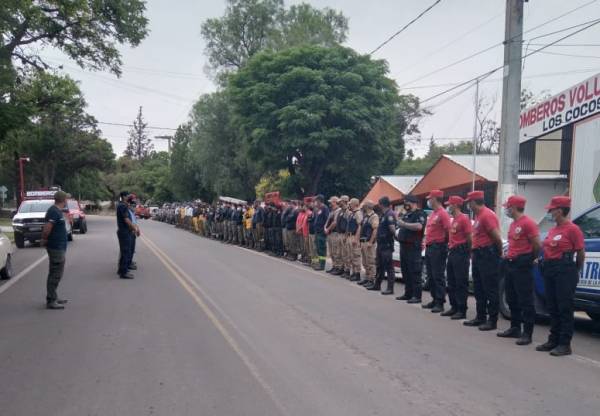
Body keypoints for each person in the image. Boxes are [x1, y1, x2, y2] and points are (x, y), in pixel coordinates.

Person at [536, 196, 585, 357]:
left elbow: (580, 252)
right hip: (550, 270)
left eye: (551, 210)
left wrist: (574, 270)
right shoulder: (553, 229)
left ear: (559, 210)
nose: (549, 213)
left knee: (564, 307)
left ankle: (565, 344)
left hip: (564, 270)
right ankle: (553, 339)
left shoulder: (572, 229)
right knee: (552, 306)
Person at [497, 196, 540, 345]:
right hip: (510, 263)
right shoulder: (513, 224)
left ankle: (527, 333)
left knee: (525, 300)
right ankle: (515, 327)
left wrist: (530, 258)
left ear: (513, 207)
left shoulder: (528, 223)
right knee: (511, 297)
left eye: (507, 207)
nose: (506, 210)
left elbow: (536, 244)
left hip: (522, 264)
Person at [464, 191, 503, 331]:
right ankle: (480, 316)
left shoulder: (487, 215)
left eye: (470, 202)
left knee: (490, 288)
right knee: (479, 287)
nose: (468, 205)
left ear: (474, 202)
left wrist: (497, 253)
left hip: (487, 254)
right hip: (479, 254)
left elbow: (497, 238)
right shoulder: (479, 215)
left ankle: (492, 320)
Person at [423, 190, 451, 313]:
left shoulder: (443, 213)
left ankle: (440, 302)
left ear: (435, 199)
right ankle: (434, 299)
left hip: (438, 247)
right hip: (430, 247)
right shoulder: (433, 214)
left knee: (438, 275)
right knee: (431, 275)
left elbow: (448, 231)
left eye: (430, 198)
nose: (428, 200)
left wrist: (443, 244)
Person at [444, 195, 472, 320]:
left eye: (449, 204)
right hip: (453, 251)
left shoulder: (463, 219)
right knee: (451, 281)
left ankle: (462, 309)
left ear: (455, 205)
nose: (448, 206)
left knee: (460, 282)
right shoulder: (454, 219)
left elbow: (469, 237)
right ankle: (454, 306)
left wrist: (467, 251)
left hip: (461, 252)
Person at [41, 190, 70, 310]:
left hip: (59, 247)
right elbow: (47, 228)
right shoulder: (53, 211)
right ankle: (51, 300)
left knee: (57, 273)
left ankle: (53, 296)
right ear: (63, 200)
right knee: (55, 273)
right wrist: (44, 239)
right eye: (66, 198)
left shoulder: (57, 211)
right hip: (56, 247)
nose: (67, 200)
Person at [395, 195, 426, 303]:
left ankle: (417, 296)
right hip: (404, 246)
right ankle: (408, 293)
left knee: (414, 272)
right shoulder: (407, 214)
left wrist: (403, 224)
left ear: (413, 202)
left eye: (406, 202)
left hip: (413, 247)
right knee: (406, 271)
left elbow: (419, 227)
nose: (405, 205)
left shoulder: (420, 214)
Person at [367, 196, 396, 295]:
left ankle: (390, 288)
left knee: (389, 267)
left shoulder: (390, 214)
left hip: (387, 244)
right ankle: (377, 284)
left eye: (379, 204)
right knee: (379, 265)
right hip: (381, 244)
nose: (378, 206)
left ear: (381, 204)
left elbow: (392, 229)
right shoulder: (383, 214)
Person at [116, 191, 136, 279]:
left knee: (124, 251)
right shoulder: (122, 206)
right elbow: (126, 219)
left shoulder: (122, 205)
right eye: (128, 196)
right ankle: (123, 273)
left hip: (124, 231)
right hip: (124, 231)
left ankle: (121, 269)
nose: (129, 197)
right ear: (124, 197)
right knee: (126, 251)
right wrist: (133, 228)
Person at [358, 200, 379, 286]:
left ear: (367, 206)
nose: (362, 207)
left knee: (371, 261)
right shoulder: (366, 216)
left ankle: (372, 279)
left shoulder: (374, 216)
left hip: (369, 242)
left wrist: (371, 242)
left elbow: (375, 230)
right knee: (365, 261)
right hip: (363, 241)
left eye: (364, 205)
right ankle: (367, 277)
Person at [346, 198, 363, 281]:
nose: (349, 205)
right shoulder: (352, 213)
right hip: (349, 235)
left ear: (355, 204)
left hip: (354, 236)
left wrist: (356, 238)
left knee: (356, 256)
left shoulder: (358, 213)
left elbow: (360, 226)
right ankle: (353, 272)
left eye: (351, 203)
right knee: (351, 255)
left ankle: (357, 274)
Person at [325, 197, 342, 274]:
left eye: (331, 202)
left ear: (335, 202)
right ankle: (334, 266)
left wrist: (328, 229)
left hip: (335, 233)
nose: (330, 203)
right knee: (331, 251)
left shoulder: (338, 211)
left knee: (336, 251)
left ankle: (338, 267)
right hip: (330, 233)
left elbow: (335, 222)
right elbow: (328, 220)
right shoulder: (332, 211)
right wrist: (325, 227)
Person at [313, 195, 330, 271]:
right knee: (318, 249)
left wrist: (325, 229)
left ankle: (322, 265)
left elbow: (327, 220)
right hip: (317, 232)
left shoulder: (325, 208)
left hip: (321, 233)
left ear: (319, 201)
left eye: (316, 201)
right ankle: (318, 263)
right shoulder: (319, 209)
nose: (315, 202)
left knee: (322, 249)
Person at [337, 196, 351, 278]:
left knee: (346, 253)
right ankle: (341, 268)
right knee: (341, 253)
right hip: (340, 234)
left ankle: (347, 270)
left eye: (340, 201)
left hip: (344, 234)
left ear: (345, 201)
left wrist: (346, 235)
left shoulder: (347, 211)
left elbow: (348, 225)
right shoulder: (341, 211)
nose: (339, 203)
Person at [127, 194, 140, 271]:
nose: (134, 206)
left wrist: (137, 229)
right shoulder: (128, 211)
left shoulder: (131, 212)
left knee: (132, 249)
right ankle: (128, 264)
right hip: (129, 232)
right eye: (133, 204)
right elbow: (131, 222)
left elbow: (135, 221)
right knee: (129, 249)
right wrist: (135, 229)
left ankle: (130, 262)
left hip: (132, 231)